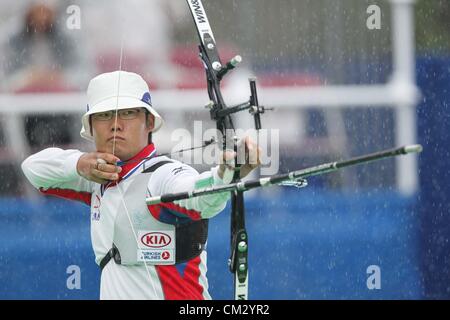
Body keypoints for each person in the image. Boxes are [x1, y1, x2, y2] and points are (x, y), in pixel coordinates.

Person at [21, 70, 261, 300]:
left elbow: (200, 195)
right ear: (91, 127)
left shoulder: (163, 175)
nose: (115, 124)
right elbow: (33, 169)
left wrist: (225, 175)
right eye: (104, 115)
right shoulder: (95, 178)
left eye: (127, 113)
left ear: (148, 122)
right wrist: (79, 163)